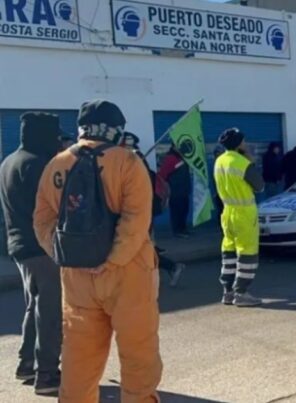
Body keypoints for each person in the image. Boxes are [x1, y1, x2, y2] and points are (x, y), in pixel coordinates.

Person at [33, 100, 162, 401]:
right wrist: (111, 260)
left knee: (79, 362)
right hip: (128, 274)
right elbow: (136, 220)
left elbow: (41, 220)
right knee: (138, 358)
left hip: (76, 278)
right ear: (116, 128)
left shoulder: (57, 164)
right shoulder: (128, 162)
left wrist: (63, 254)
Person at [0, 112, 63, 395]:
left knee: (34, 305)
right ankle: (47, 373)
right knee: (50, 310)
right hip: (42, 247)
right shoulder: (39, 164)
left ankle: (26, 363)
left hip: (18, 246)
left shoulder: (10, 162)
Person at [120, 132, 184, 287]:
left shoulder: (133, 159)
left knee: (140, 246)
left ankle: (168, 268)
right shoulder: (129, 159)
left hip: (138, 211)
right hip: (134, 211)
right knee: (140, 246)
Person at [214, 128, 265, 307]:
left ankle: (227, 291)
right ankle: (241, 293)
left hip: (227, 212)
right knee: (247, 253)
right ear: (239, 144)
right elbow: (259, 186)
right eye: (243, 141)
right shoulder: (242, 162)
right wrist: (250, 160)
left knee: (228, 252)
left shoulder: (219, 161)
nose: (245, 143)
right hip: (244, 213)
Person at [158, 145, 192, 238]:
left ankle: (183, 228)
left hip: (184, 189)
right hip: (175, 190)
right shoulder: (171, 158)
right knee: (177, 211)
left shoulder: (182, 157)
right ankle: (178, 230)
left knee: (184, 210)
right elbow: (163, 174)